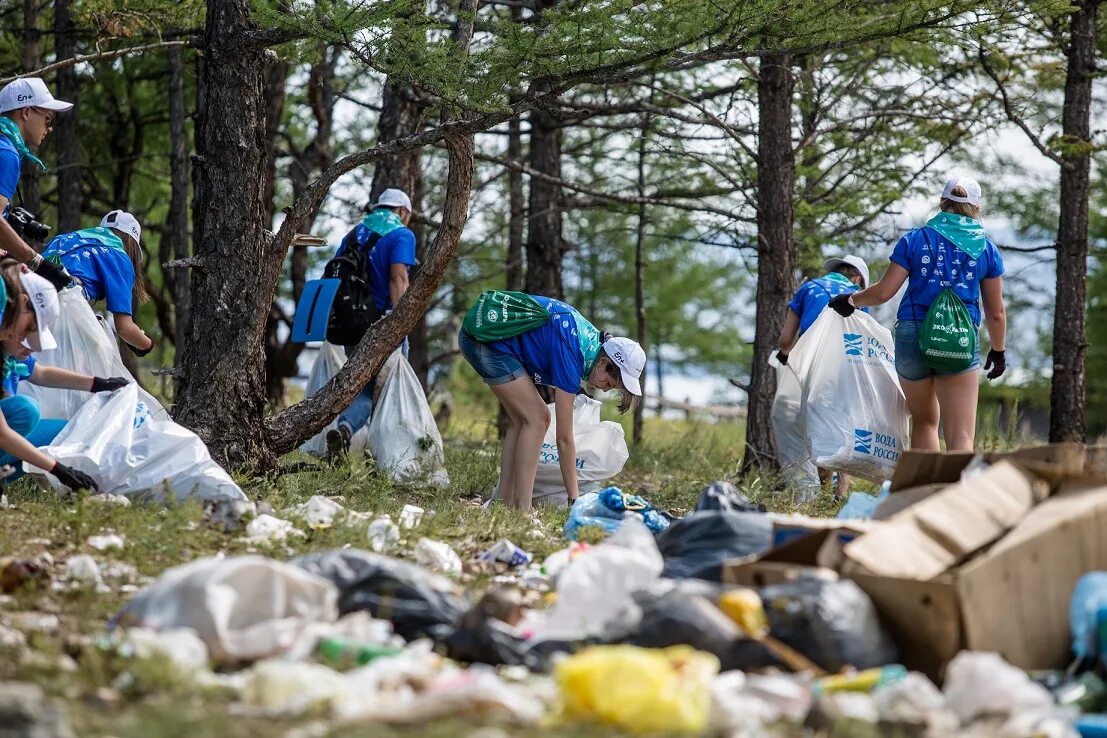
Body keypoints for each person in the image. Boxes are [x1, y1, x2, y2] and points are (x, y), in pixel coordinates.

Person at [828, 176, 1007, 452]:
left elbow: (883, 292)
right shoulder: (986, 249)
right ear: (976, 207)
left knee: (924, 423)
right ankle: (957, 495)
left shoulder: (914, 239)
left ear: (942, 202)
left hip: (913, 338)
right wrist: (998, 350)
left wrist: (850, 299)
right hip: (957, 341)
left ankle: (925, 493)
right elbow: (996, 313)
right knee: (960, 436)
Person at [458, 294, 644, 512]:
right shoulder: (574, 355)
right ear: (603, 362)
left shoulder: (588, 341)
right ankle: (522, 510)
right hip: (485, 341)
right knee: (538, 419)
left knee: (521, 421)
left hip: (480, 335)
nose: (605, 389)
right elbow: (564, 439)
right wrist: (575, 500)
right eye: (610, 383)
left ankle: (503, 503)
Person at [765, 254, 870, 498]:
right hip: (843, 367)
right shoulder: (859, 297)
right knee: (841, 425)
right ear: (856, 278)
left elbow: (785, 340)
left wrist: (786, 356)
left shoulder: (809, 288)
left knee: (801, 421)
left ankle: (809, 491)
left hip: (810, 364)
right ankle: (839, 493)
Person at [326, 188, 417, 459]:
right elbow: (398, 278)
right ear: (402, 211)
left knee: (361, 386)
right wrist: (401, 322)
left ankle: (345, 430)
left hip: (350, 323)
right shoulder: (402, 234)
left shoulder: (354, 233)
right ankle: (384, 454)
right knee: (387, 390)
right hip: (382, 322)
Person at [0, 265, 100, 492]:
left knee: (62, 430)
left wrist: (96, 384)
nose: (21, 337)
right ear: (21, 304)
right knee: (26, 410)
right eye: (27, 330)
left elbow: (40, 373)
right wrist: (58, 470)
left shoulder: (9, 351)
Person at [42, 210, 153, 355]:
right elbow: (124, 328)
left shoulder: (64, 238)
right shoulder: (120, 257)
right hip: (61, 309)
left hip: (31, 295)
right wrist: (147, 345)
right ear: (131, 243)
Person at [0, 78, 73, 290]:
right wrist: (36, 262)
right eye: (48, 120)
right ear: (26, 112)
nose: (49, 129)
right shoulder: (7, 153)